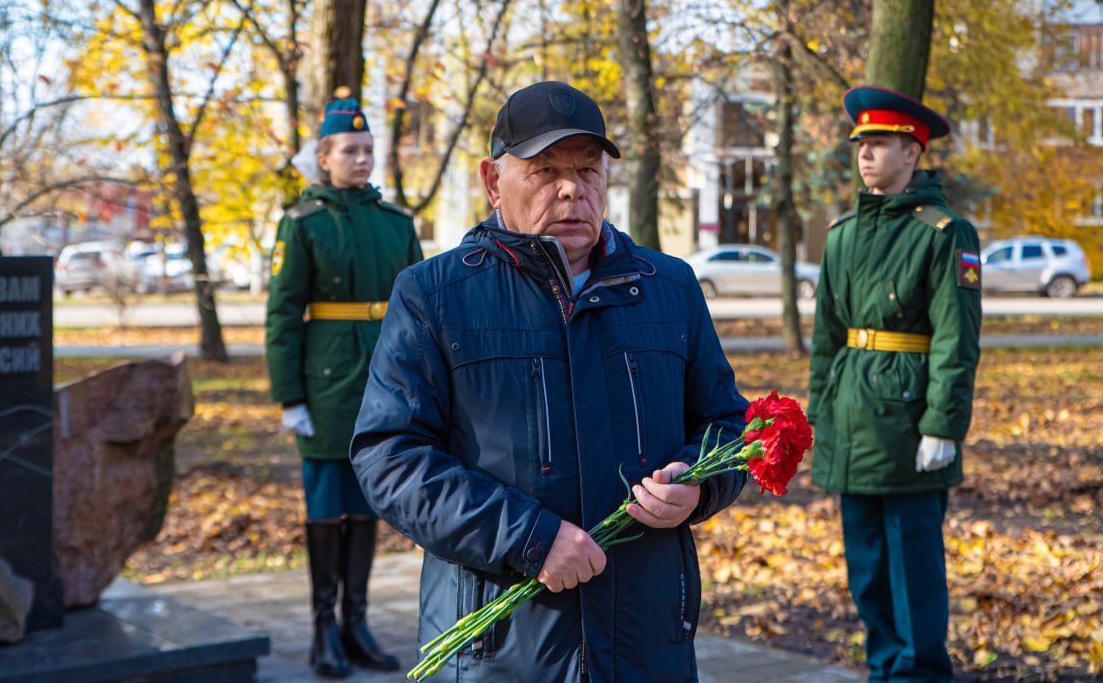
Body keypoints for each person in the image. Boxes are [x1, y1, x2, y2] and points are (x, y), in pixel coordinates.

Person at [350, 80, 749, 680]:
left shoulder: (669, 287)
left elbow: (728, 425)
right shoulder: (435, 295)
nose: (571, 189)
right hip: (501, 648)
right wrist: (529, 538)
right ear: (493, 182)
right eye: (544, 171)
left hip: (645, 640)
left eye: (588, 170)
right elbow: (390, 456)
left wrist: (700, 486)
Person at [807, 86, 982, 683]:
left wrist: (943, 423)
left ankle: (920, 673)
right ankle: (885, 670)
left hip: (909, 421)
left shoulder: (944, 234)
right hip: (852, 416)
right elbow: (827, 338)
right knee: (867, 568)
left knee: (913, 566)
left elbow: (957, 338)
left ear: (913, 151)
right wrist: (817, 416)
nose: (865, 154)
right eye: (861, 144)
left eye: (879, 143)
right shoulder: (841, 236)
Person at [266, 89, 423, 678]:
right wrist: (290, 397)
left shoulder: (395, 223)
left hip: (387, 375)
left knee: (366, 507)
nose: (362, 159)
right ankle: (322, 630)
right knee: (327, 507)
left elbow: (417, 309)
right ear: (324, 159)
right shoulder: (303, 223)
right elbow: (282, 315)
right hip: (327, 379)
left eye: (367, 149)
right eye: (349, 150)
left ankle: (357, 625)